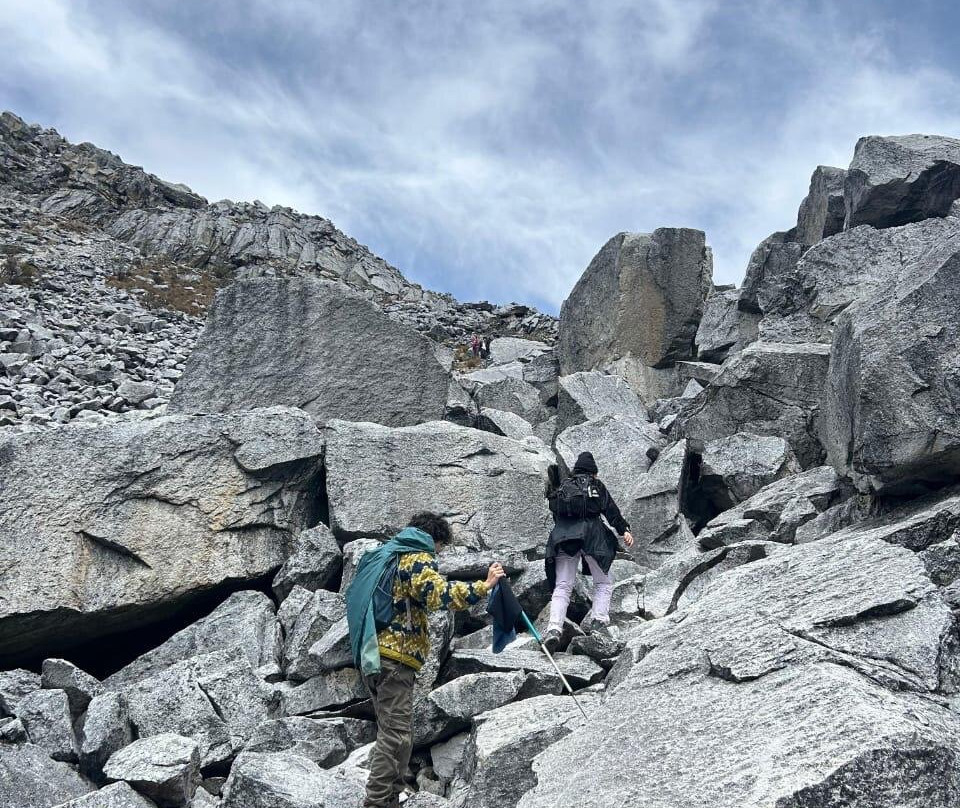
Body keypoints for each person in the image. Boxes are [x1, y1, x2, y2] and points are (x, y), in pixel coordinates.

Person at [360, 512, 505, 808]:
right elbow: (439, 595)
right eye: (440, 548)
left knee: (396, 731)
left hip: (374, 656)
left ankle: (391, 795)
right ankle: (376, 802)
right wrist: (484, 586)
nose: (438, 555)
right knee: (396, 734)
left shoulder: (389, 556)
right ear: (434, 540)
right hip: (395, 661)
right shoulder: (416, 557)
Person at [543, 452, 634, 651]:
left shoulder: (564, 487)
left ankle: (554, 629)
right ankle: (599, 622)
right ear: (594, 473)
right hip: (593, 538)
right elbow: (611, 510)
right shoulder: (596, 486)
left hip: (564, 539)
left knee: (563, 586)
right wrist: (624, 530)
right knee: (603, 582)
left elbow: (556, 512)